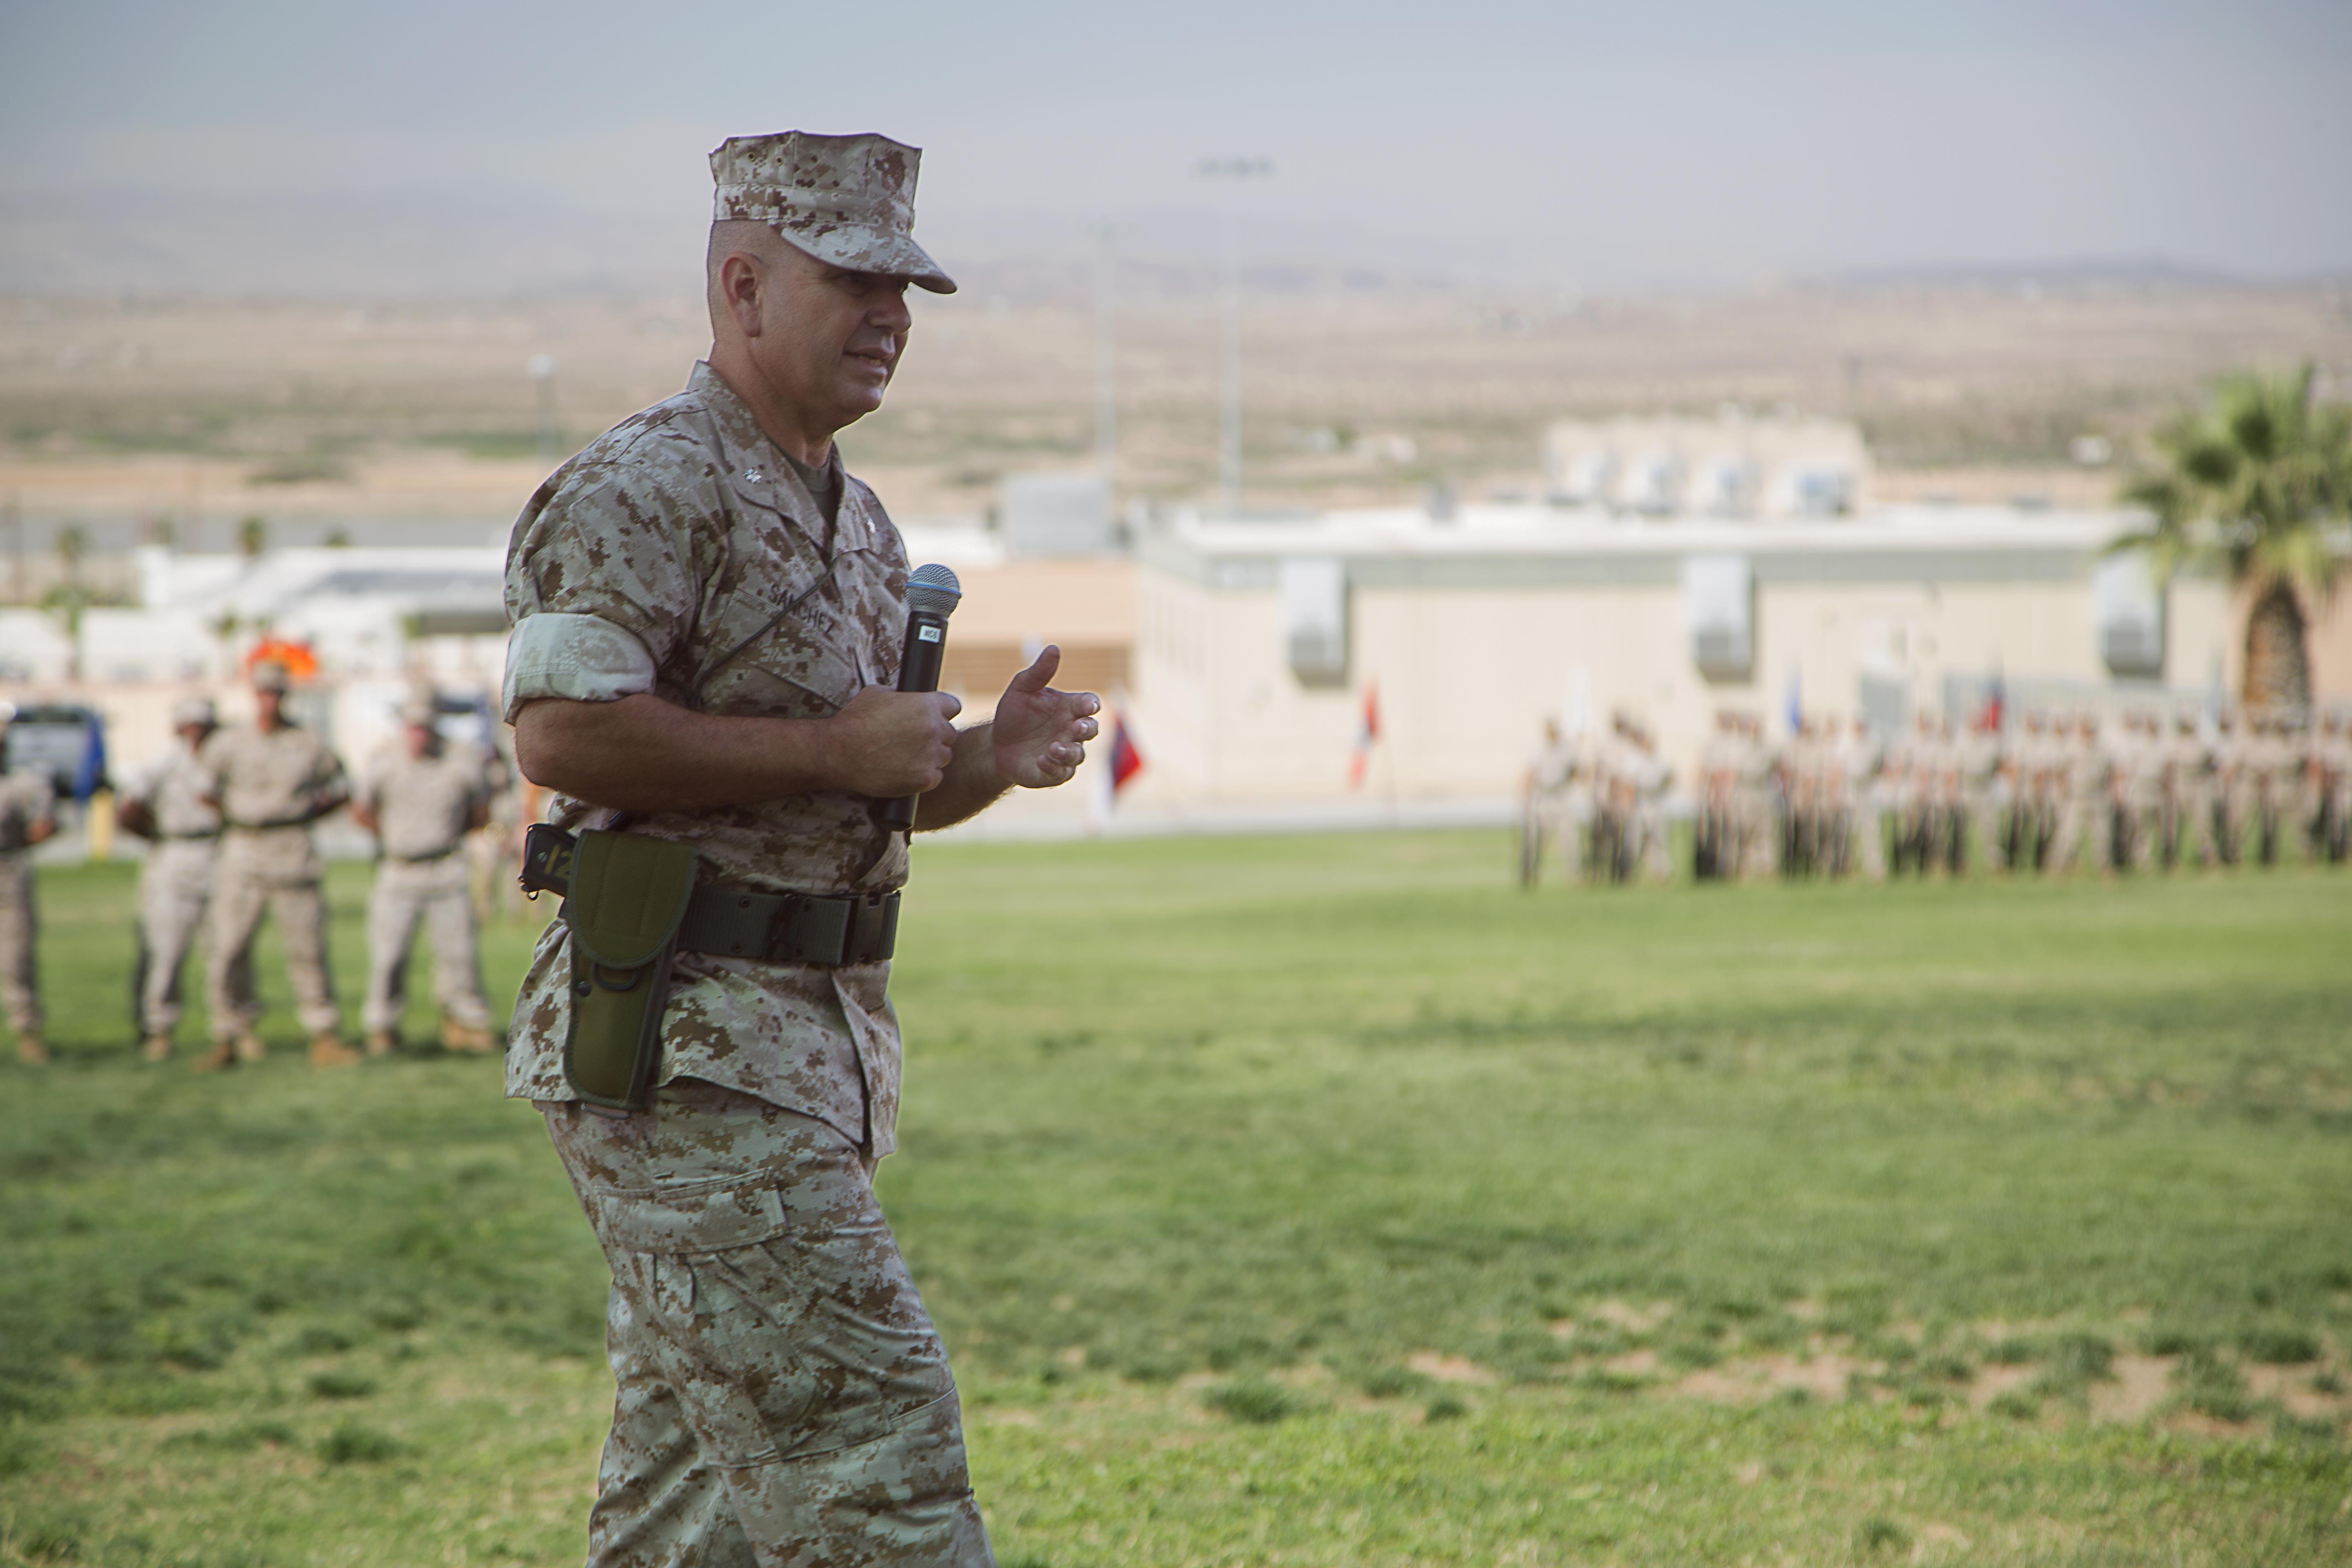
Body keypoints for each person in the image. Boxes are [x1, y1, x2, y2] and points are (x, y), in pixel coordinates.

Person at [502, 131, 1098, 1566]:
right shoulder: (644, 486)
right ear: (743, 284)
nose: (890, 316)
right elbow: (562, 734)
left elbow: (860, 802)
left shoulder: (863, 526)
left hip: (805, 1058)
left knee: (689, 1501)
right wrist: (843, 748)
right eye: (855, 280)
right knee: (876, 1462)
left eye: (908, 290)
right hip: (688, 1054)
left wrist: (976, 765)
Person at [196, 659, 354, 1070]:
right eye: (264, 692)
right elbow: (205, 790)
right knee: (228, 947)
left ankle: (323, 1034)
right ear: (254, 694)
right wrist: (237, 814)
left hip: (292, 846)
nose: (270, 700)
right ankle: (229, 1033)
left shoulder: (308, 743)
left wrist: (304, 815)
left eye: (277, 692)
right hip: (244, 848)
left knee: (307, 948)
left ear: (287, 695)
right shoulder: (230, 742)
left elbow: (341, 787)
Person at [354, 692, 499, 1055]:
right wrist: (393, 838)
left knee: (459, 952)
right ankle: (382, 1027)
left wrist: (445, 837)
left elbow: (480, 811)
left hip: (445, 866)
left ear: (436, 728)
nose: (419, 735)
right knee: (389, 955)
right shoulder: (384, 761)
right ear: (405, 727)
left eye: (426, 728)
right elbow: (363, 810)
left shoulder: (460, 760)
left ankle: (466, 1021)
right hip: (399, 868)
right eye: (413, 727)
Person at [118, 696, 250, 1061]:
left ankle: (233, 1026)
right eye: (191, 725)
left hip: (219, 852)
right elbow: (128, 810)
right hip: (174, 853)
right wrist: (156, 837)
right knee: (168, 947)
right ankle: (160, 1026)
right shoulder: (164, 765)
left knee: (226, 947)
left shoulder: (224, 761)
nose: (197, 732)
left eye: (203, 725)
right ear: (178, 727)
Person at [0, 757, 56, 1064]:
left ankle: (27, 1032)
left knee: (17, 957)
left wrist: (21, 842)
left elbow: (47, 823)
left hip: (8, 869)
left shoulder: (20, 783)